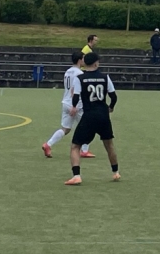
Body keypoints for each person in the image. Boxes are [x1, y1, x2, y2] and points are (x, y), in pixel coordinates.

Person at [65, 50, 121, 184]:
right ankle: (115, 172)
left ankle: (76, 175)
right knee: (109, 145)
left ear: (85, 63)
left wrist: (74, 106)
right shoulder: (105, 77)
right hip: (103, 115)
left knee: (75, 146)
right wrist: (111, 107)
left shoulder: (80, 78)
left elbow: (76, 96)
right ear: (96, 63)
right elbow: (114, 96)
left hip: (89, 115)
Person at [43, 50, 86, 158]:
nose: (84, 60)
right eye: (83, 58)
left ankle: (48, 144)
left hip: (65, 102)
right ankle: (84, 151)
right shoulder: (80, 74)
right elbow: (74, 90)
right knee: (87, 125)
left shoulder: (68, 71)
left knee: (65, 129)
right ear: (79, 60)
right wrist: (75, 105)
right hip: (75, 104)